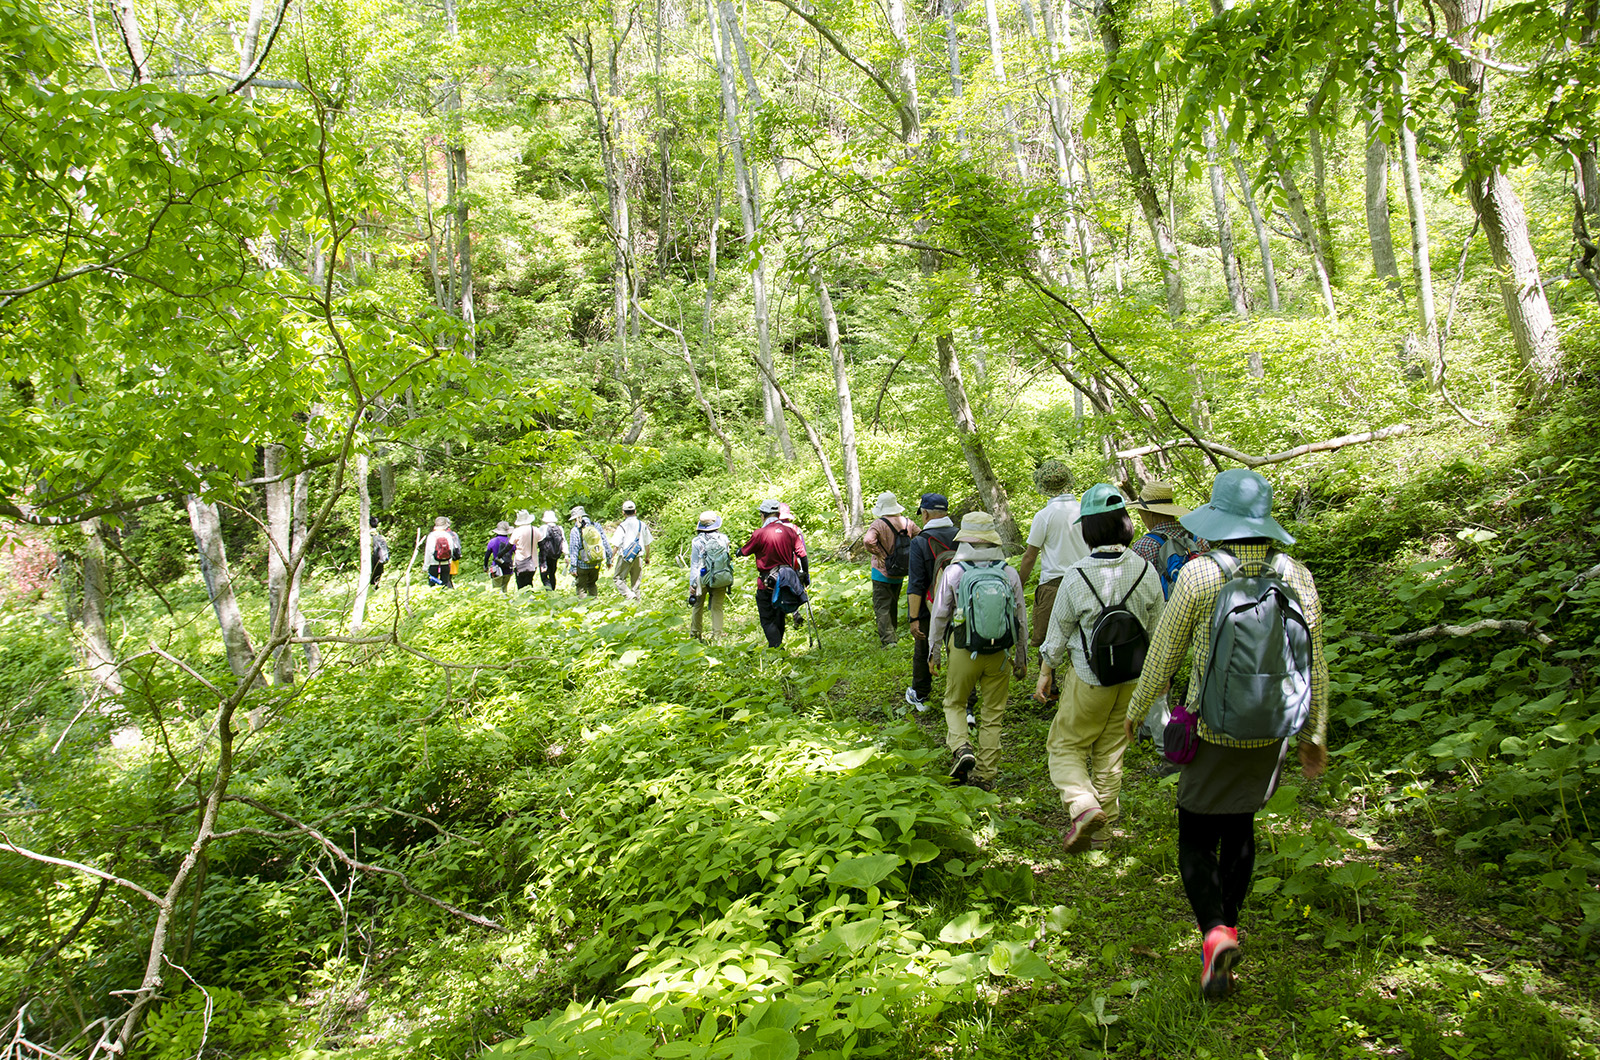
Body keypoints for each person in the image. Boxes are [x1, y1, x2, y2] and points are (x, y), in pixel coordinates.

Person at [1123, 469, 1328, 1000]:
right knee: (1240, 828)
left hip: (1211, 727)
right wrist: (1315, 731)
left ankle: (1215, 934)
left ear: (1219, 518)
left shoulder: (1200, 574)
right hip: (1273, 728)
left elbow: (1164, 654)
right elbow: (1316, 659)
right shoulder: (1297, 575)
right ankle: (1229, 932)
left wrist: (1137, 710)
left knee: (1195, 838)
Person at [1035, 484, 1165, 853]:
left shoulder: (1077, 574)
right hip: (1133, 678)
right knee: (1110, 752)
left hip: (1090, 678)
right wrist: (1160, 677)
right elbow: (1158, 628)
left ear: (1088, 529)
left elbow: (1058, 631)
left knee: (1065, 745)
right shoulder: (1145, 570)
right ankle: (1103, 836)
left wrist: (1046, 671)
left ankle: (1083, 806)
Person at [926, 511, 1028, 791]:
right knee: (993, 713)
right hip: (1000, 654)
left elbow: (939, 616)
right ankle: (985, 775)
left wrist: (934, 653)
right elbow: (1020, 618)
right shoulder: (1008, 572)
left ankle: (961, 747)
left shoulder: (954, 572)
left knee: (954, 703)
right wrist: (1021, 658)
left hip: (963, 649)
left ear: (964, 541)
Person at [1128, 480, 1210, 741]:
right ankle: (1196, 720)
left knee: (1159, 670)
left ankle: (1159, 732)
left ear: (1150, 514)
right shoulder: (1197, 538)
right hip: (1199, 612)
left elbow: (1138, 590)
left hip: (1164, 616)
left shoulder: (1144, 546)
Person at [1016, 460, 1090, 704]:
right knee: (1083, 636)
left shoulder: (1044, 516)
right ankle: (1083, 686)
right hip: (1085, 581)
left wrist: (1018, 584)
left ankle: (1050, 688)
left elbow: (1030, 556)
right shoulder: (1084, 511)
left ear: (1044, 488)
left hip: (1053, 584)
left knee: (1047, 638)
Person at [904, 493, 957, 710]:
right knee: (959, 649)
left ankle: (921, 694)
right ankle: (967, 700)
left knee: (924, 647)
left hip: (930, 606)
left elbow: (916, 584)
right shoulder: (962, 535)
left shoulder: (920, 542)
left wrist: (913, 618)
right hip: (961, 604)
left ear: (925, 514)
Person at [738, 499, 807, 648]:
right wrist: (805, 575)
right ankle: (778, 647)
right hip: (785, 582)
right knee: (779, 615)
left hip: (767, 582)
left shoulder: (760, 533)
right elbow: (802, 555)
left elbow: (744, 551)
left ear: (763, 515)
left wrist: (738, 552)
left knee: (767, 618)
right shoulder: (790, 531)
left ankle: (776, 648)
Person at [862, 492, 920, 648]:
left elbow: (868, 540)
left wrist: (878, 553)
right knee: (893, 603)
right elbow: (921, 536)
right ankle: (892, 632)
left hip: (881, 571)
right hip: (901, 569)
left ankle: (889, 640)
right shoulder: (907, 523)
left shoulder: (878, 524)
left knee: (882, 606)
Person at [688, 510, 734, 640]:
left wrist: (692, 584)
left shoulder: (697, 541)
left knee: (698, 605)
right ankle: (717, 636)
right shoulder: (723, 539)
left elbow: (695, 564)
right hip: (719, 576)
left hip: (701, 577)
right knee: (717, 607)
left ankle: (695, 634)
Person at [610, 500, 653, 600]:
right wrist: (647, 557)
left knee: (618, 578)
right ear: (635, 511)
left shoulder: (622, 526)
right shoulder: (642, 525)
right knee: (636, 583)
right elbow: (647, 543)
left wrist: (611, 557)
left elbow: (616, 544)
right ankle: (637, 604)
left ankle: (629, 595)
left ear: (623, 512)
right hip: (638, 556)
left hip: (625, 557)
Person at [567, 506, 612, 597]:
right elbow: (605, 543)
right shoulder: (596, 526)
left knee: (581, 588)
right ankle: (594, 604)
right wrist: (609, 559)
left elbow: (574, 549)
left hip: (582, 564)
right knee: (592, 584)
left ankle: (583, 605)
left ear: (576, 518)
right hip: (596, 562)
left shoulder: (575, 530)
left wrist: (573, 567)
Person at [509, 510, 542, 592]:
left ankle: (523, 598)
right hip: (533, 562)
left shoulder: (517, 531)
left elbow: (509, 546)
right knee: (529, 583)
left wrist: (500, 555)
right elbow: (542, 545)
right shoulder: (535, 530)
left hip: (520, 562)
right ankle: (530, 598)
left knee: (520, 585)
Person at [425, 516, 460, 588]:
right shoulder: (448, 535)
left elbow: (429, 551)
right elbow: (451, 550)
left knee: (432, 584)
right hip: (446, 563)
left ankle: (433, 594)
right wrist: (449, 561)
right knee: (444, 584)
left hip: (433, 563)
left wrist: (426, 566)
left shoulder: (432, 535)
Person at [537, 510, 565, 591]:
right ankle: (553, 591)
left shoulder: (543, 528)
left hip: (545, 556)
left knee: (544, 575)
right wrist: (566, 555)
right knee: (552, 574)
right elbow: (563, 541)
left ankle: (549, 592)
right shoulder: (559, 528)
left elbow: (538, 540)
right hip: (555, 555)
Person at [484, 520, 516, 591]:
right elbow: (516, 553)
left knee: (497, 590)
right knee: (504, 589)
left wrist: (485, 566)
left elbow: (487, 556)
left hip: (496, 569)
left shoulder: (493, 541)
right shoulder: (511, 541)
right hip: (508, 568)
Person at [368, 517, 389, 587]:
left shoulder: (369, 535)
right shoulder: (379, 535)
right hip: (380, 558)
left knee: (372, 575)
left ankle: (372, 586)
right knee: (377, 575)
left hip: (373, 558)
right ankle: (376, 585)